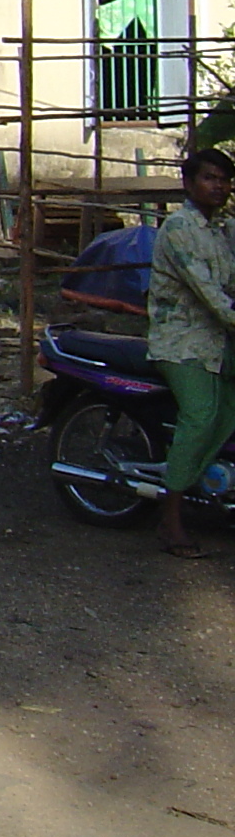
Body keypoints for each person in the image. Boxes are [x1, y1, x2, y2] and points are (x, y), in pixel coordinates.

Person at [147, 146, 235, 559]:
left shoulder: (224, 228)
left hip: (219, 340)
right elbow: (211, 295)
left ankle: (205, 486)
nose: (218, 186)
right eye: (209, 178)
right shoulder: (180, 228)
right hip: (181, 341)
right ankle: (170, 518)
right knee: (201, 417)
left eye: (223, 179)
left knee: (229, 414)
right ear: (189, 183)